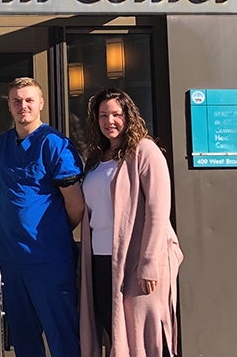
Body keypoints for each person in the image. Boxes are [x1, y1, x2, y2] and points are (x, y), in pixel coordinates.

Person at [0, 77, 85, 357]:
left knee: (62, 334)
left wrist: (51, 232)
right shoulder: (0, 145)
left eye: (29, 100)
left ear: (40, 103)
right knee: (24, 338)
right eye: (16, 100)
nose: (23, 105)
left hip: (49, 259)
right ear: (9, 106)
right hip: (11, 259)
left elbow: (75, 205)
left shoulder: (55, 144)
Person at [79, 88, 184, 357]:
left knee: (141, 338)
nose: (109, 121)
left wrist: (149, 262)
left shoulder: (144, 151)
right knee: (114, 336)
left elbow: (158, 209)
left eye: (116, 114)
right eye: (103, 115)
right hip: (102, 260)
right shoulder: (96, 158)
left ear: (129, 116)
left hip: (137, 262)